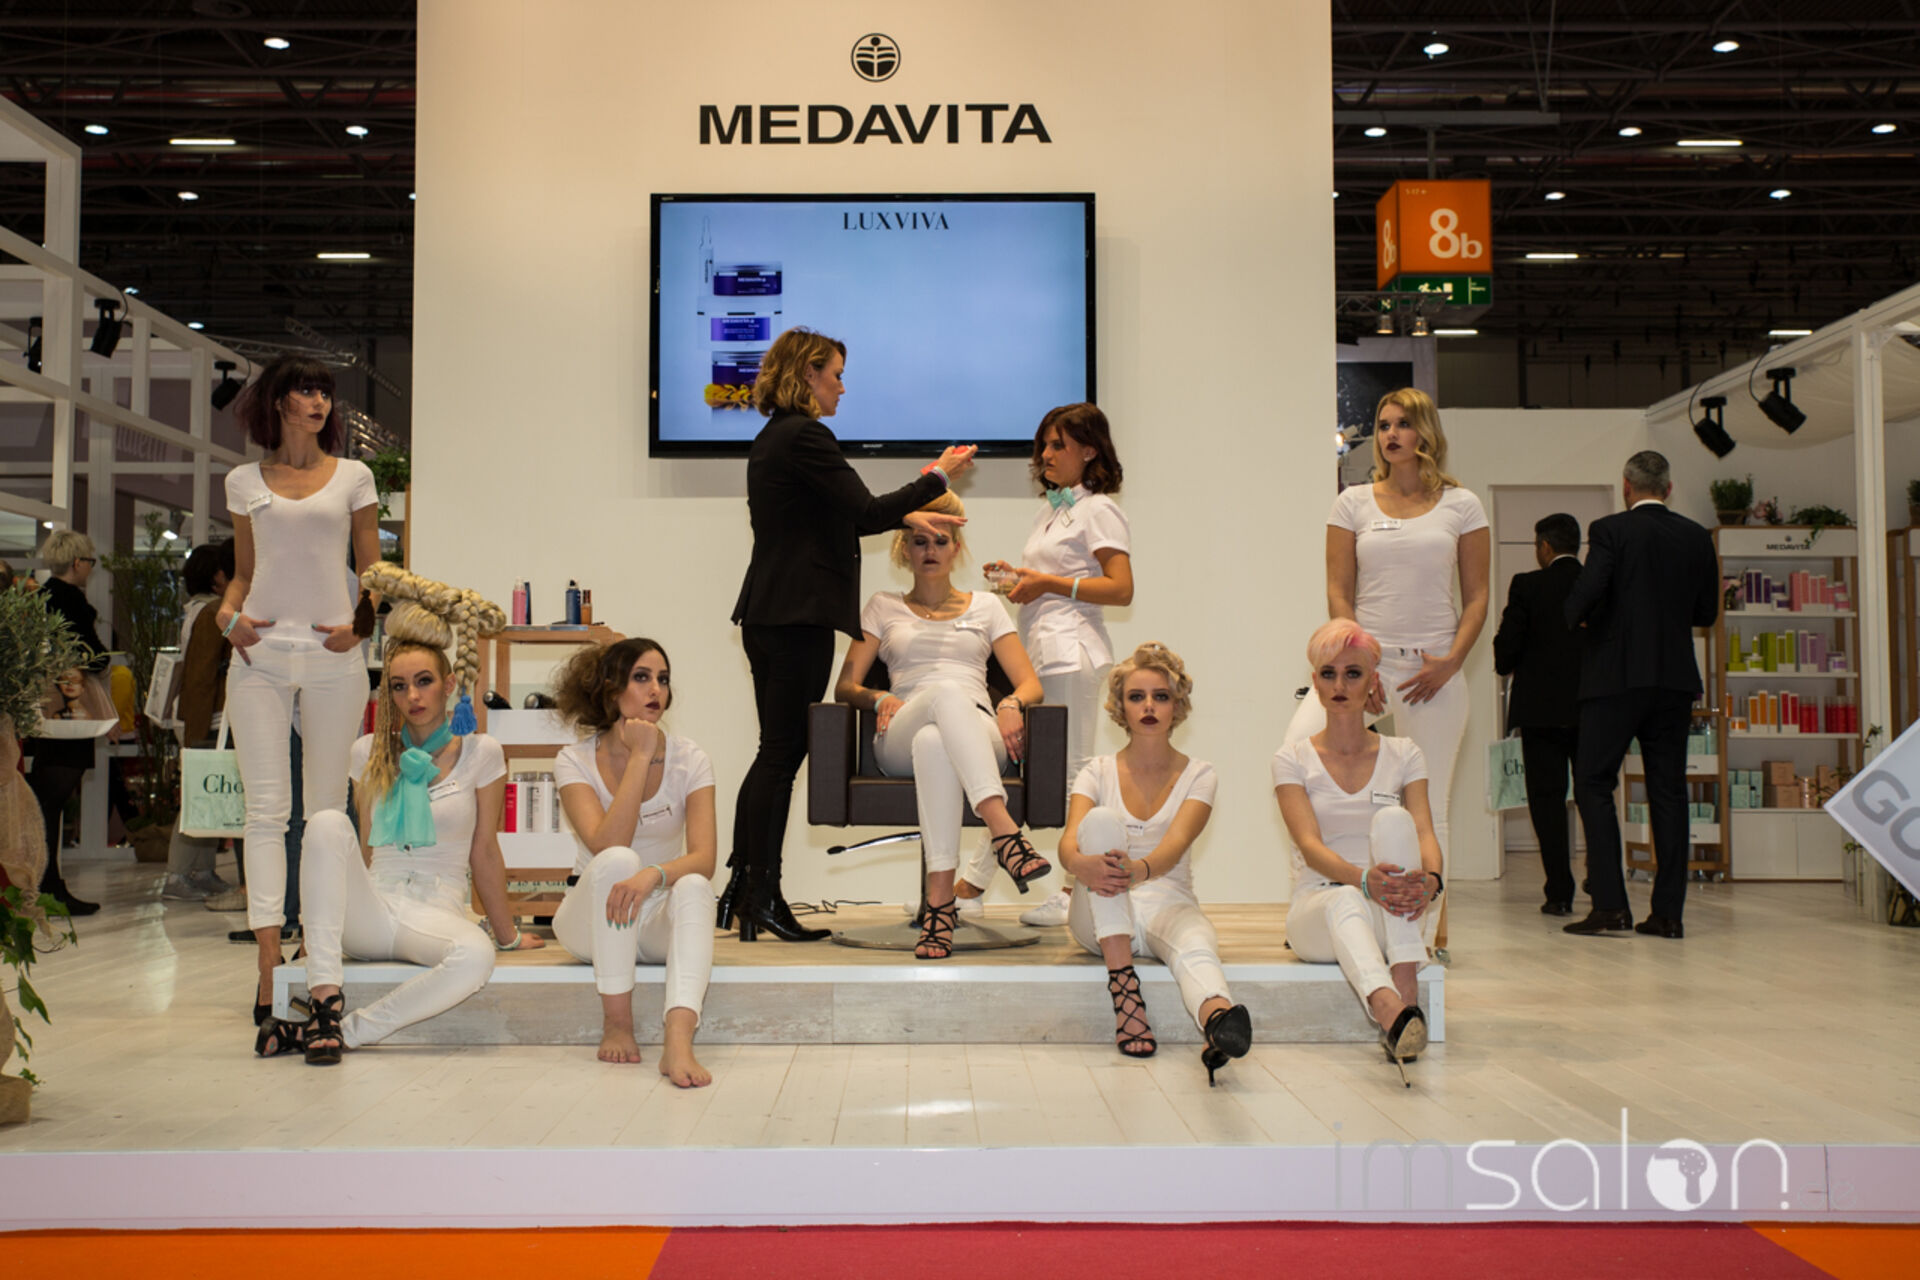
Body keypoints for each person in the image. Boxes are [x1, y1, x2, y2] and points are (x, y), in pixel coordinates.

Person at [726, 326, 977, 942]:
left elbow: (837, 519)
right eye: (835, 374)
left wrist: (909, 509)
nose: (842, 386)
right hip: (797, 617)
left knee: (773, 752)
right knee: (781, 755)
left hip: (771, 613)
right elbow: (864, 510)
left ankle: (744, 888)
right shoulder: (806, 435)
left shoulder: (774, 438)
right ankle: (761, 893)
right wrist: (938, 475)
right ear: (808, 374)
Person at [255, 570, 539, 1064]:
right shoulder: (367, 752)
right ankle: (325, 1000)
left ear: (449, 685)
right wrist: (318, 934)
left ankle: (342, 1032)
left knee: (476, 956)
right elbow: (362, 846)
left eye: (424, 682)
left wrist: (508, 934)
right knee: (325, 823)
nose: (413, 697)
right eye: (400, 686)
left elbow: (484, 851)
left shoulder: (482, 753)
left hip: (435, 913)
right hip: (371, 908)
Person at [1283, 388, 1487, 948]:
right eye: (1383, 424)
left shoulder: (1462, 505)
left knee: (1431, 806)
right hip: (1363, 665)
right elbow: (1338, 590)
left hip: (1433, 672)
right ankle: (1309, 910)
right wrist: (1359, 667)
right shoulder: (1352, 502)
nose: (1391, 434)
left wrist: (1452, 661)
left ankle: (1429, 933)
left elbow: (1477, 596)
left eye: (1402, 424)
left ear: (1426, 432)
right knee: (1296, 756)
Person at [217, 355, 380, 1023]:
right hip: (257, 657)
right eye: (306, 391)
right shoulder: (242, 481)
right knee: (264, 813)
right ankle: (266, 966)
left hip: (334, 658)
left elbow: (374, 571)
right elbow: (243, 573)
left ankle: (318, 955)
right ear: (278, 400)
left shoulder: (354, 476)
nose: (318, 403)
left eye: (325, 393)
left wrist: (359, 627)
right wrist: (226, 616)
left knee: (325, 813)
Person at [834, 491, 1051, 960]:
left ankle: (939, 906)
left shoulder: (987, 607)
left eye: (940, 541)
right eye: (919, 541)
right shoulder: (882, 605)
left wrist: (1012, 702)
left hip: (978, 731)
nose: (930, 550)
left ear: (956, 548)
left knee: (937, 740)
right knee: (943, 698)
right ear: (904, 550)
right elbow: (845, 686)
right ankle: (1004, 832)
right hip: (899, 732)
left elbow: (1030, 683)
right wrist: (878, 696)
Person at [1055, 643, 1250, 1083]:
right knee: (1101, 822)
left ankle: (1219, 1022)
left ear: (1177, 706)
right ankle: (1126, 994)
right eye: (1136, 696)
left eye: (1160, 696)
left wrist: (1137, 871)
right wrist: (1083, 867)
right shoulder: (1096, 771)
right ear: (1120, 706)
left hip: (1167, 898)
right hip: (1099, 910)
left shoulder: (1200, 774)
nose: (1148, 706)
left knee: (1197, 943)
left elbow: (1176, 845)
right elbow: (1068, 844)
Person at [973, 402, 1133, 929]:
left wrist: (1047, 583)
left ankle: (1072, 890)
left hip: (1072, 652)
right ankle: (972, 887)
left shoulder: (1098, 509)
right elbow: (1054, 578)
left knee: (1070, 774)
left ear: (1088, 451)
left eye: (1057, 444)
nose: (1045, 453)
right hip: (1041, 653)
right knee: (1023, 772)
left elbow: (1121, 588)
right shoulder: (1052, 511)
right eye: (1043, 443)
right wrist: (1020, 577)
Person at [1273, 620, 1443, 1086]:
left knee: (1394, 821)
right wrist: (1364, 880)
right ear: (1315, 682)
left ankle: (1404, 980)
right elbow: (1309, 847)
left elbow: (1424, 831)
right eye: (1329, 674)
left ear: (1373, 680)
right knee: (1346, 897)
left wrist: (1432, 880)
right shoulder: (1292, 758)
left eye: (1353, 673)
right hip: (1317, 911)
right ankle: (1394, 1010)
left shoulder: (1404, 753)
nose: (1340, 685)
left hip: (1393, 912)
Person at [1562, 451, 1720, 940]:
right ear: (1668, 489)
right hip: (1674, 680)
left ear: (1627, 486)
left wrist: (1580, 617)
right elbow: (1706, 612)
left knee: (1593, 782)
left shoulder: (1610, 530)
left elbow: (1589, 590)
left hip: (1616, 676)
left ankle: (1611, 905)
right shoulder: (1696, 536)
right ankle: (1668, 914)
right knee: (1669, 791)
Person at [550, 638, 717, 1087]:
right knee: (618, 858)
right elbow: (608, 844)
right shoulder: (573, 760)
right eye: (641, 677)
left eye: (662, 679)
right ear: (611, 688)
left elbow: (704, 859)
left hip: (654, 913)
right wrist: (641, 755)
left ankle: (678, 1040)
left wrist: (654, 875)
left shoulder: (690, 759)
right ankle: (617, 1022)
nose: (655, 689)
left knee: (695, 886)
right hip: (591, 921)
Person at [1491, 513, 1584, 915]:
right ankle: (1603, 882)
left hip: (1540, 711)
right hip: (1590, 709)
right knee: (1594, 797)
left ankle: (1559, 892)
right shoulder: (1597, 583)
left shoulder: (1527, 586)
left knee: (1547, 801)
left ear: (1544, 546)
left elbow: (1505, 653)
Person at [24, 527, 108, 916]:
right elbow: (92, 654)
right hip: (69, 711)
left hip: (46, 710)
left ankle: (45, 882)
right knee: (52, 799)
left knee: (45, 797)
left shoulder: (41, 597)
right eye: (90, 561)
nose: (91, 568)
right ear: (77, 562)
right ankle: (49, 885)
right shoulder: (70, 600)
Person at [160, 539, 239, 902]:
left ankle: (202, 871)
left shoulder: (205, 609)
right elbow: (200, 676)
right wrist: (195, 731)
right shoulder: (212, 612)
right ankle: (177, 874)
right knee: (201, 791)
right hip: (210, 718)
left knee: (214, 792)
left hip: (211, 716)